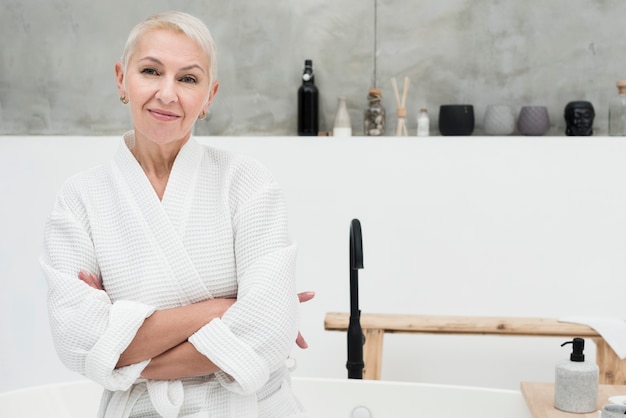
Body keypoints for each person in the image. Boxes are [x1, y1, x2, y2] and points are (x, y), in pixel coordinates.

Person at [40, 11, 312, 417]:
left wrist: (120, 356)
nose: (167, 93)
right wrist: (219, 309)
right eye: (151, 71)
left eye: (188, 78)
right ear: (121, 79)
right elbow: (76, 338)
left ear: (209, 95)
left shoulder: (247, 181)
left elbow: (268, 332)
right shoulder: (81, 198)